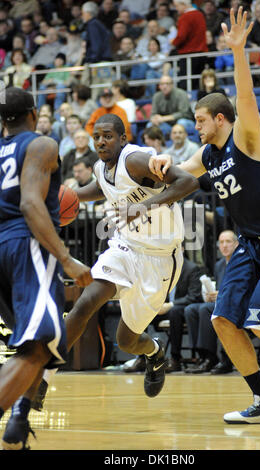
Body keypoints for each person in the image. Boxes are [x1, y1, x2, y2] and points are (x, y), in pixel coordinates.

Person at [149, 7, 260, 424]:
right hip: (250, 244)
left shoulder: (247, 137)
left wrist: (237, 51)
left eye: (200, 120)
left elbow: (245, 98)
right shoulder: (208, 153)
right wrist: (156, 165)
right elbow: (179, 172)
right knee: (222, 321)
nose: (195, 126)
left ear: (220, 118)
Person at [32, 113, 199, 411]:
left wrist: (142, 207)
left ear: (123, 138)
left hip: (159, 259)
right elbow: (105, 189)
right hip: (124, 247)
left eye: (107, 135)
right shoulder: (100, 166)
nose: (100, 141)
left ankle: (155, 352)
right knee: (85, 303)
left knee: (127, 341)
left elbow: (188, 182)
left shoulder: (135, 159)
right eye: (96, 136)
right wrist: (68, 199)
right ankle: (43, 378)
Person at [0, 87, 92, 450]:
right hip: (27, 247)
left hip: (4, 250)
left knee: (43, 345)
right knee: (38, 347)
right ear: (34, 115)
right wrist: (66, 258)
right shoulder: (41, 145)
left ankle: (16, 429)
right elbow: (29, 204)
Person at [184, 230, 238, 374]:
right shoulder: (219, 264)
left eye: (228, 242)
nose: (224, 245)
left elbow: (245, 289)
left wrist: (220, 295)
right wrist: (212, 295)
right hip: (221, 303)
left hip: (237, 305)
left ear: (236, 244)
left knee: (205, 309)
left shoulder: (242, 263)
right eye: (221, 242)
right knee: (191, 309)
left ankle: (212, 357)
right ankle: (202, 356)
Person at [171, 0, 208, 89]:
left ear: (183, 4)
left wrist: (173, 42)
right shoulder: (200, 14)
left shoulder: (185, 17)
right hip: (202, 53)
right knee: (198, 82)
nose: (176, 9)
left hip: (188, 54)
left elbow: (181, 36)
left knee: (187, 82)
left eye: (177, 6)